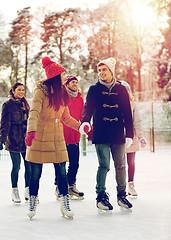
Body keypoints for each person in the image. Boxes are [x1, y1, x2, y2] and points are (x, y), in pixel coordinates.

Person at [25, 56, 83, 220]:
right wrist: (31, 131)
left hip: (57, 136)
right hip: (40, 135)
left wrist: (80, 126)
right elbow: (34, 113)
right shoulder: (40, 91)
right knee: (35, 173)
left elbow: (66, 118)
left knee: (62, 173)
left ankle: (65, 202)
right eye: (63, 75)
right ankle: (33, 200)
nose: (65, 77)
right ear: (56, 77)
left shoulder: (62, 93)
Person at [81, 57, 134, 212]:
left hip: (118, 133)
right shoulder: (94, 89)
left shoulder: (122, 89)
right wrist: (85, 121)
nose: (101, 73)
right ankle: (101, 196)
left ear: (111, 71)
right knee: (104, 165)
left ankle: (122, 195)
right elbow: (88, 108)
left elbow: (127, 113)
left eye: (104, 69)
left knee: (121, 166)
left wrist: (129, 133)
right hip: (101, 132)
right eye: (99, 70)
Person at [0, 82, 31, 203]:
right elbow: (4, 123)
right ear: (13, 91)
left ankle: (28, 189)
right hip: (13, 139)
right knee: (16, 166)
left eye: (23, 90)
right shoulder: (7, 105)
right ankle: (15, 191)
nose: (21, 92)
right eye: (19, 90)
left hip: (26, 140)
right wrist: (2, 139)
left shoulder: (25, 104)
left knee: (28, 166)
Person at [54, 74, 84, 200]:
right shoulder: (61, 97)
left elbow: (82, 115)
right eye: (72, 82)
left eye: (76, 82)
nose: (75, 84)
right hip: (62, 134)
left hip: (75, 135)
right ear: (66, 84)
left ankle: (71, 186)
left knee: (75, 163)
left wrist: (84, 127)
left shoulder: (80, 98)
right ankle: (60, 188)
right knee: (61, 164)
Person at [121, 81, 147, 197]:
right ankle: (121, 187)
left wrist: (141, 136)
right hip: (118, 137)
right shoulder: (115, 103)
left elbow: (137, 121)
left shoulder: (133, 104)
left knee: (131, 162)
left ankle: (131, 185)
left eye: (126, 89)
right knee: (120, 164)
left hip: (131, 137)